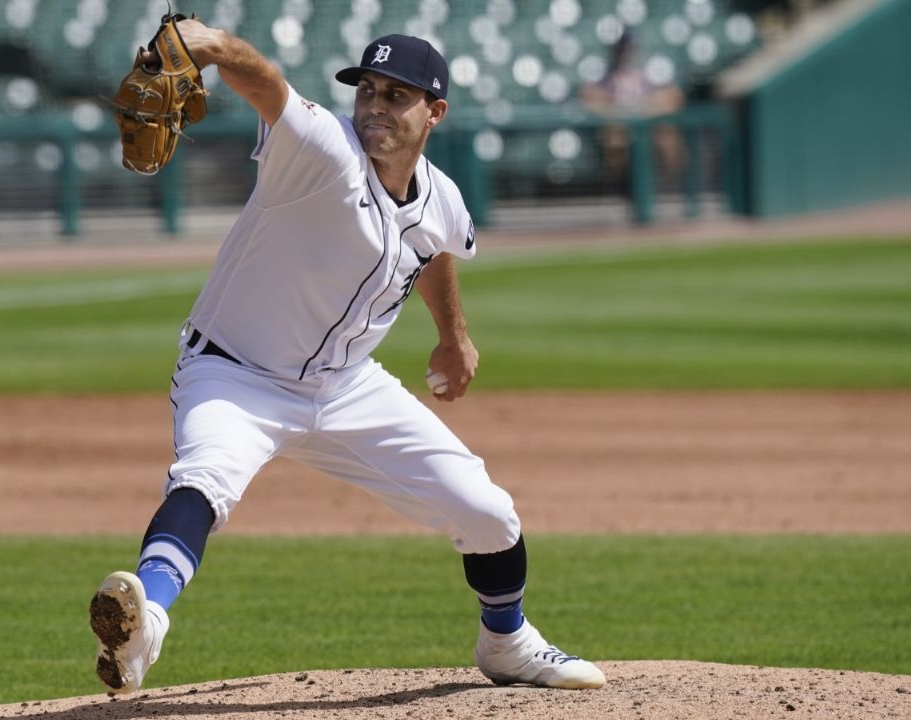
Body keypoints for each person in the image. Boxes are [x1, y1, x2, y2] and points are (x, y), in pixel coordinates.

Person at [88, 21, 606, 694]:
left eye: (396, 95)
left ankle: (506, 642)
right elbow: (268, 86)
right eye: (367, 90)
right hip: (235, 374)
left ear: (434, 113)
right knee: (204, 481)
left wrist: (454, 335)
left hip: (347, 388)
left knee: (486, 510)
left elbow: (437, 245)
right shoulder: (322, 149)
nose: (375, 107)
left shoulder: (439, 194)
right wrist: (213, 47)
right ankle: (146, 623)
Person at [579, 31, 686, 189]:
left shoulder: (649, 79)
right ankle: (618, 188)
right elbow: (589, 101)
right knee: (615, 137)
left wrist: (645, 108)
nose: (625, 54)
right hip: (620, 128)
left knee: (667, 134)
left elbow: (674, 99)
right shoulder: (605, 80)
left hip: (647, 126)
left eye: (628, 48)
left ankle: (672, 186)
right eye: (621, 49)